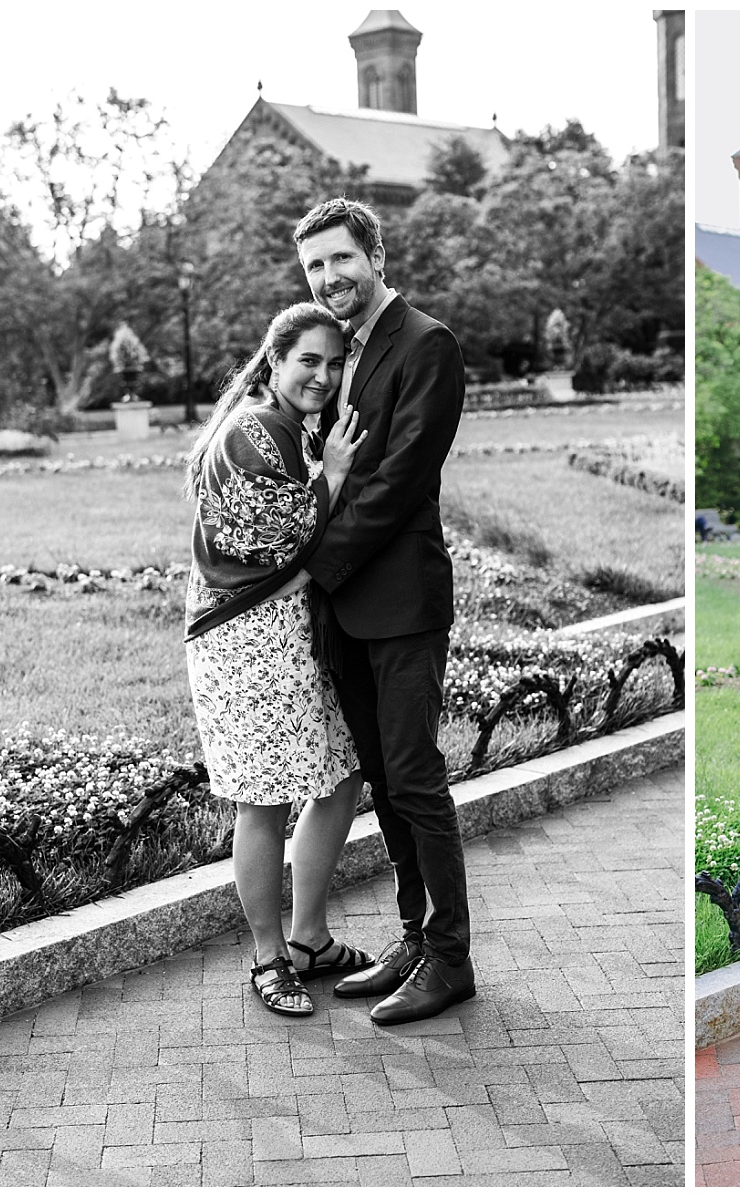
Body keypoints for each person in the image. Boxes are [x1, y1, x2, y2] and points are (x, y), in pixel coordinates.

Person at [291, 197, 474, 1026]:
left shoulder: (428, 344)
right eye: (315, 267)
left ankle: (451, 958)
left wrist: (313, 566)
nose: (330, 278)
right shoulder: (340, 353)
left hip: (399, 601)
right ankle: (413, 937)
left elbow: (399, 482)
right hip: (347, 611)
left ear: (375, 254)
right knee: (387, 788)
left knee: (416, 779)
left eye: (341, 259)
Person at [183, 302, 373, 1017]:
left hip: (288, 633)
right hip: (243, 638)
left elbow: (301, 547)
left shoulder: (293, 431)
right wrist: (330, 478)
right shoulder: (252, 431)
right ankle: (268, 958)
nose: (322, 377)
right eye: (308, 361)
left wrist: (322, 476)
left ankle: (311, 938)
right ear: (274, 362)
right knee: (261, 797)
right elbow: (277, 540)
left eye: (334, 363)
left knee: (337, 776)